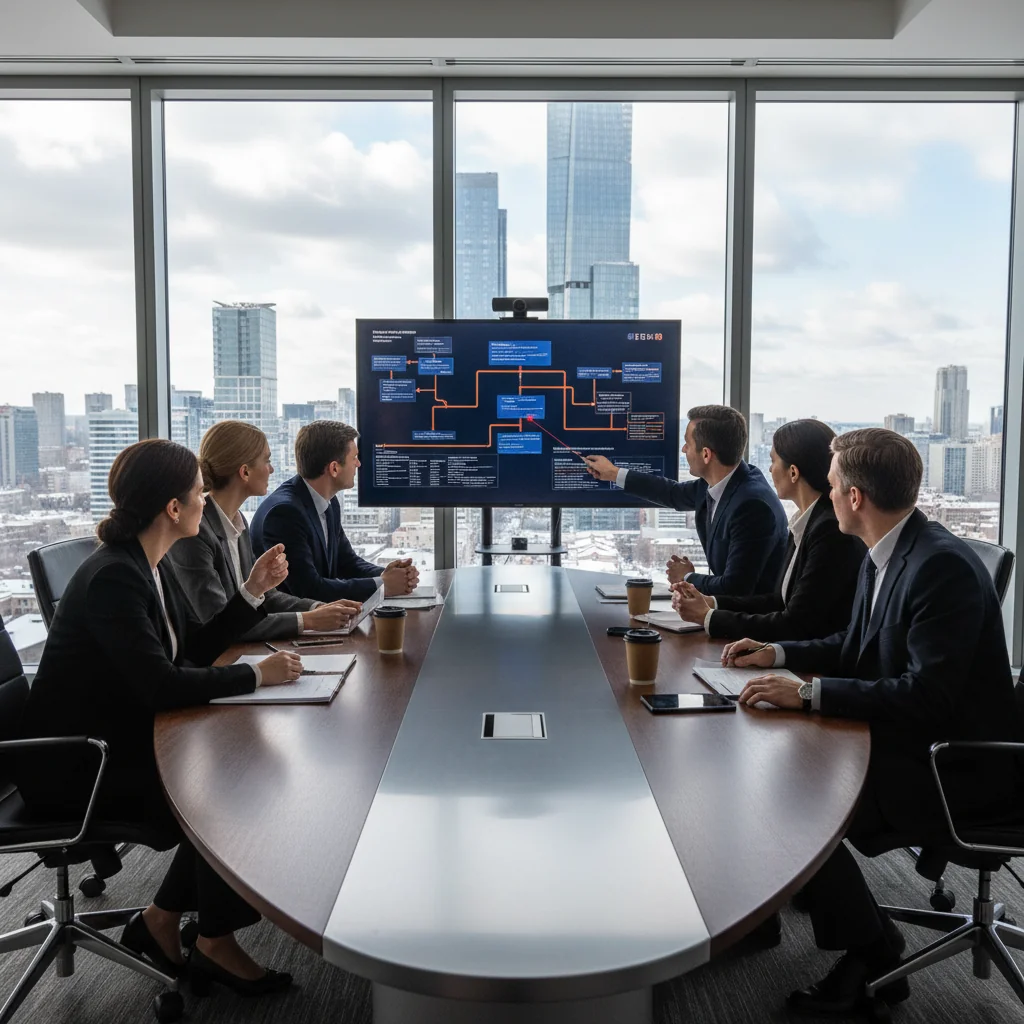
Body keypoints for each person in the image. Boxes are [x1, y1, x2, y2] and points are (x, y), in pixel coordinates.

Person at [723, 428, 1019, 1015]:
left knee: (791, 801)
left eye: (833, 485)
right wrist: (777, 654)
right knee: (787, 770)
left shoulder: (940, 568)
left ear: (854, 497)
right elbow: (854, 645)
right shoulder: (883, 551)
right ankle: (849, 927)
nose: (827, 494)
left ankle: (875, 956)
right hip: (909, 740)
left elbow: (926, 697)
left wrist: (809, 694)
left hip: (957, 769)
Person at [17, 439, 303, 996]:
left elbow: (191, 649)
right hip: (74, 766)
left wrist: (252, 592)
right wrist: (254, 676)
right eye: (199, 492)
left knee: (240, 772)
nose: (205, 500)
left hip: (116, 739)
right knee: (230, 787)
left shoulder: (149, 563)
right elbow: (161, 684)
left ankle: (162, 921)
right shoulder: (115, 578)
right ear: (173, 508)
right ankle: (213, 942)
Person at [166, 420, 362, 640]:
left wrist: (317, 608)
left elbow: (264, 597)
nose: (272, 469)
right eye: (267, 460)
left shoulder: (238, 521)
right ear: (245, 472)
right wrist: (307, 620)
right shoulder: (196, 534)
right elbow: (223, 622)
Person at [670, 419, 865, 640]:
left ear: (793, 472)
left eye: (773, 461)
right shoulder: (807, 521)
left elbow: (795, 623)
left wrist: (708, 617)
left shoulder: (829, 532)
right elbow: (778, 601)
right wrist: (712, 603)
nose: (770, 469)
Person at [584, 404, 788, 596]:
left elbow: (734, 589)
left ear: (706, 454)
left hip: (750, 619)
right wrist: (613, 473)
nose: (683, 449)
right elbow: (672, 493)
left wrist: (687, 577)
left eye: (688, 444)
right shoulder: (723, 481)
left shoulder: (752, 507)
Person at [251, 421, 418, 602]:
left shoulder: (328, 500)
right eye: (354, 458)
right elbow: (308, 589)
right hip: (295, 617)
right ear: (334, 468)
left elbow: (346, 562)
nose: (359, 464)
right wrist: (382, 584)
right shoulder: (285, 514)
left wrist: (392, 575)